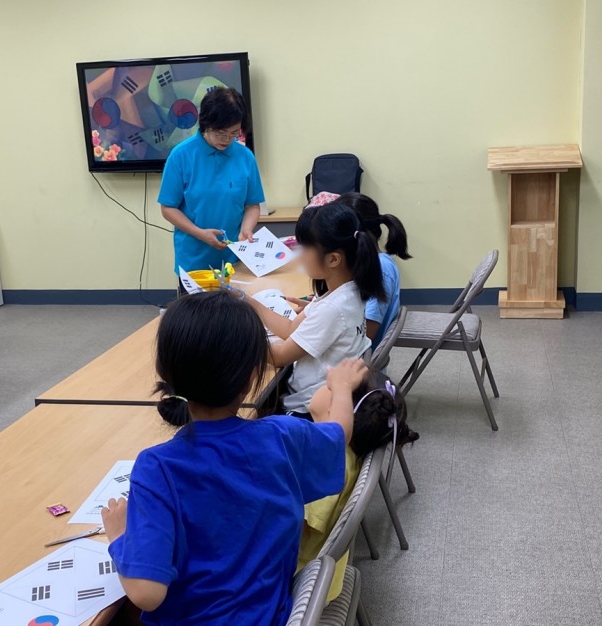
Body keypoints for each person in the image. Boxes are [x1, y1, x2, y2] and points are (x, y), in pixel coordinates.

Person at [100, 290, 369, 625]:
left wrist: (120, 536)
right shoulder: (283, 437)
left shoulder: (158, 468)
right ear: (253, 376)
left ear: (164, 371)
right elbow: (339, 434)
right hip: (272, 616)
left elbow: (146, 594)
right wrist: (341, 388)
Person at [248, 202, 385, 418]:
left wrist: (240, 335)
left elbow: (280, 356)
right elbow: (290, 329)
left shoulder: (334, 308)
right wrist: (250, 303)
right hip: (319, 396)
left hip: (307, 410)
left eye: (305, 249)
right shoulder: (343, 291)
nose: (299, 255)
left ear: (333, 259)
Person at [298, 369, 419, 602]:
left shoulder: (327, 465)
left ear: (340, 407)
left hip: (300, 584)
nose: (325, 379)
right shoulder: (345, 455)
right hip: (321, 577)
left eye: (331, 385)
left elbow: (291, 532)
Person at [158, 87, 265, 285]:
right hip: (194, 263)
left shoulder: (245, 157)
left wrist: (246, 230)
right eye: (220, 132)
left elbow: (252, 205)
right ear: (206, 124)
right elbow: (168, 208)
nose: (226, 139)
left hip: (235, 261)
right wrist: (201, 234)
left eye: (233, 133)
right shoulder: (181, 155)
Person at [290, 193, 411, 351]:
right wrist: (318, 310)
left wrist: (325, 318)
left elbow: (366, 333)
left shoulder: (382, 268)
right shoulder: (374, 263)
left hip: (353, 358)